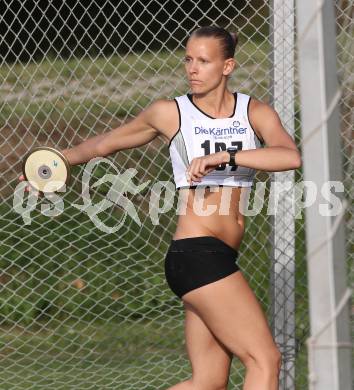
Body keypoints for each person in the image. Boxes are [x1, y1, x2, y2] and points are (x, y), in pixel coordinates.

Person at [20, 26, 301, 390]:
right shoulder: (170, 113)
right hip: (197, 253)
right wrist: (52, 166)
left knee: (209, 382)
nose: (192, 69)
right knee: (264, 360)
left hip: (216, 256)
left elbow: (288, 156)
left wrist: (225, 156)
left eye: (203, 61)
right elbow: (105, 144)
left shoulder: (253, 112)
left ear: (227, 66)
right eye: (188, 59)